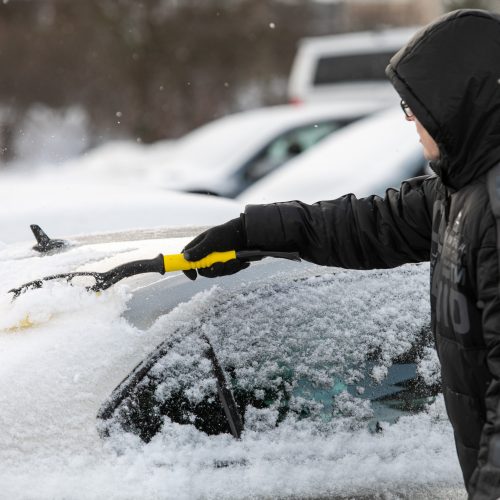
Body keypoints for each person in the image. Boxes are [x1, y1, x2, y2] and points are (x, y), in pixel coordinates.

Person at [182, 9, 500, 498]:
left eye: (415, 109)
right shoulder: (458, 191)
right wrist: (253, 232)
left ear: (455, 106)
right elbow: (369, 225)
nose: (411, 123)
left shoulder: (494, 211)